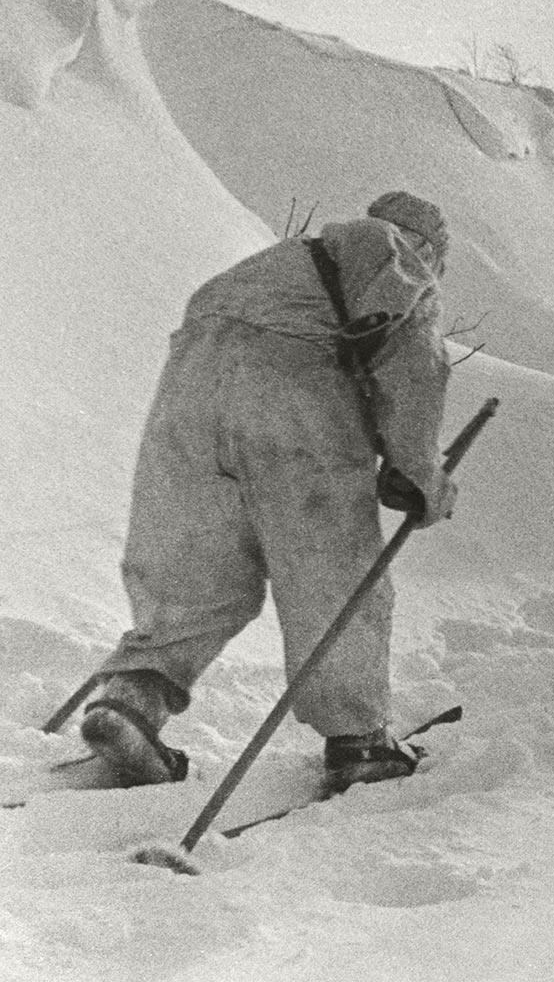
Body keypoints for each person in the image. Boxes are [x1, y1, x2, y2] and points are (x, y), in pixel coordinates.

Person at [80, 192, 457, 792]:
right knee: (330, 571)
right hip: (295, 398)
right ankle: (359, 740)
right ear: (431, 247)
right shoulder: (401, 260)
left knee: (195, 565)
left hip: (189, 391)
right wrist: (423, 479)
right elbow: (412, 377)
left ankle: (132, 699)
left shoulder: (278, 261)